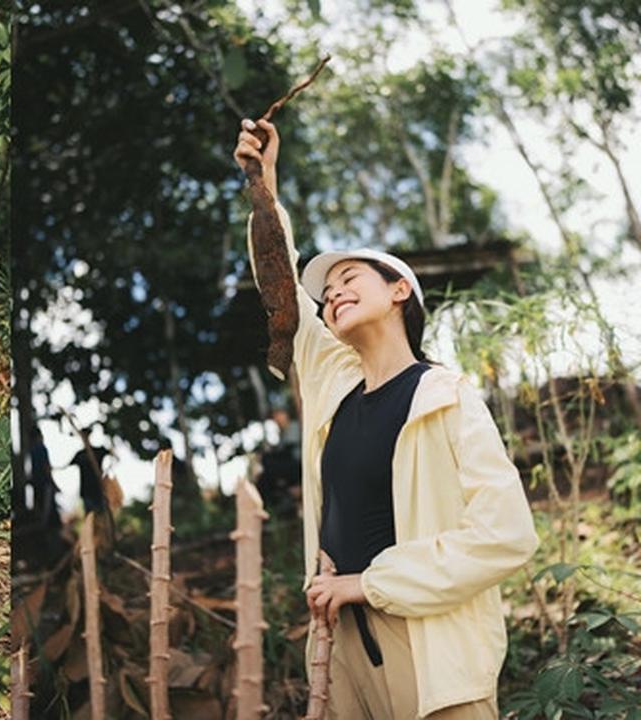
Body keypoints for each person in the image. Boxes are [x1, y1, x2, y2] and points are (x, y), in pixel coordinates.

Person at [234, 118, 538, 719]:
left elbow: (507, 535)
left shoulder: (445, 396)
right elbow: (284, 289)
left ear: (400, 291)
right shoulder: (335, 389)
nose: (332, 295)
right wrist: (263, 185)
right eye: (329, 292)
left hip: (431, 657)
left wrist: (369, 584)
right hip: (344, 651)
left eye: (350, 279)